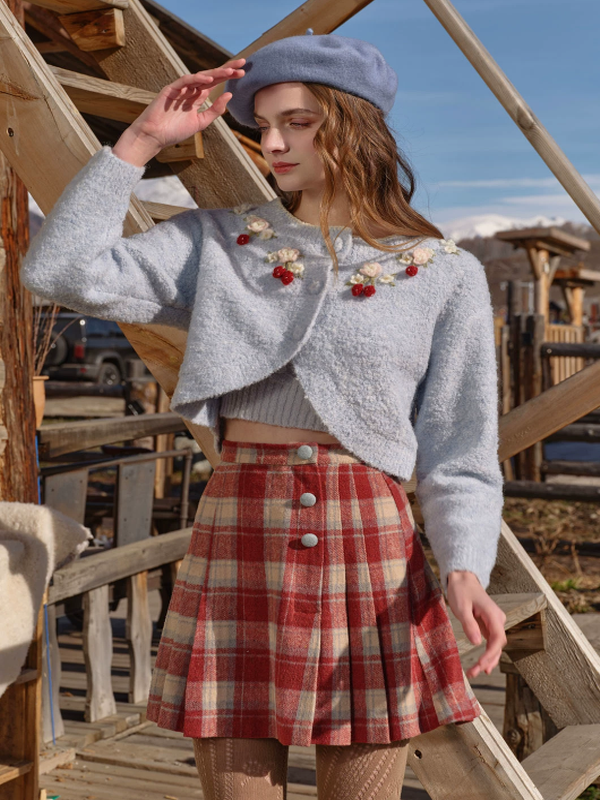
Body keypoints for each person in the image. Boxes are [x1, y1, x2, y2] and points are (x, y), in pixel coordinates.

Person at [21, 32, 507, 800]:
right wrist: (140, 141)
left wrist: (466, 567)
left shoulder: (444, 276)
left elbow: (460, 448)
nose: (272, 143)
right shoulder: (220, 243)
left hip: (369, 536)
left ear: (356, 126)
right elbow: (57, 269)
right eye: (264, 125)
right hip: (239, 520)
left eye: (299, 122)